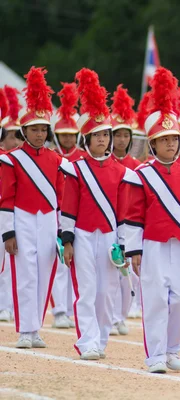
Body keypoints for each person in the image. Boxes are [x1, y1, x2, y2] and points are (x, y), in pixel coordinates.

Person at [123, 67, 180, 373]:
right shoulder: (140, 175)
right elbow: (133, 215)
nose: (170, 144)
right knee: (156, 300)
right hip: (153, 245)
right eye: (164, 139)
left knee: (179, 300)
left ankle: (172, 349)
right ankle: (155, 355)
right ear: (153, 144)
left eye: (174, 139)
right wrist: (134, 250)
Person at [60, 68, 136, 360]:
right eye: (98, 135)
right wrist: (66, 240)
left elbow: (124, 211)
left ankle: (101, 339)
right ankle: (87, 340)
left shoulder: (122, 172)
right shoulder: (75, 168)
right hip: (81, 235)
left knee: (107, 292)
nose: (104, 139)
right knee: (87, 290)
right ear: (87, 139)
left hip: (109, 238)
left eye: (107, 134)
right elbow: (68, 206)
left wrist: (123, 243)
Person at [0, 67, 67, 349]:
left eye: (43, 129)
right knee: (25, 272)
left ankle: (35, 327)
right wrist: (8, 233)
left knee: (44, 272)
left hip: (49, 220)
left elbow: (62, 198)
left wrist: (64, 231)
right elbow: (5, 198)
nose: (39, 134)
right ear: (24, 131)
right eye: (34, 129)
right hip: (23, 218)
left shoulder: (56, 160)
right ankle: (24, 330)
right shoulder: (11, 159)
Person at [109, 84, 140, 335]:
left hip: (129, 224)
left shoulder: (135, 165)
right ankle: (110, 316)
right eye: (117, 135)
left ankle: (121, 315)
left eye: (125, 135)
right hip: (109, 222)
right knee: (110, 271)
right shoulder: (105, 163)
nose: (121, 140)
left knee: (126, 273)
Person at [51, 82, 82, 330]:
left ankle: (73, 308)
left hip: (76, 216)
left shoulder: (83, 157)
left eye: (72, 134)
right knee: (59, 262)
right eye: (64, 134)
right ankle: (59, 309)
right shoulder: (51, 154)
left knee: (75, 262)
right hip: (54, 214)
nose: (68, 138)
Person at [0, 86, 23, 323]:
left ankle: (6, 305)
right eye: (12, 136)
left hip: (8, 214)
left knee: (7, 262)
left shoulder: (18, 161)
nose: (16, 140)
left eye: (19, 135)